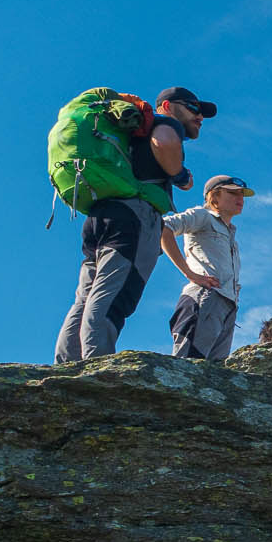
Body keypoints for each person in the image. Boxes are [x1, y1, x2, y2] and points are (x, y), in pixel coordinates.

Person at [55, 87, 211, 363]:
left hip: (101, 214)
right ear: (168, 105)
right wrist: (180, 175)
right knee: (114, 296)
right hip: (134, 217)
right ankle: (96, 368)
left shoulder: (132, 131)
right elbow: (164, 141)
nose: (200, 117)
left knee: (86, 296)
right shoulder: (164, 122)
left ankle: (66, 366)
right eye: (193, 108)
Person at [161, 175, 253, 363]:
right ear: (214, 196)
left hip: (227, 307)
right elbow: (164, 227)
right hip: (205, 299)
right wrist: (190, 273)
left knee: (213, 375)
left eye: (242, 194)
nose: (240, 199)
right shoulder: (202, 216)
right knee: (187, 365)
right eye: (233, 193)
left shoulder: (231, 236)